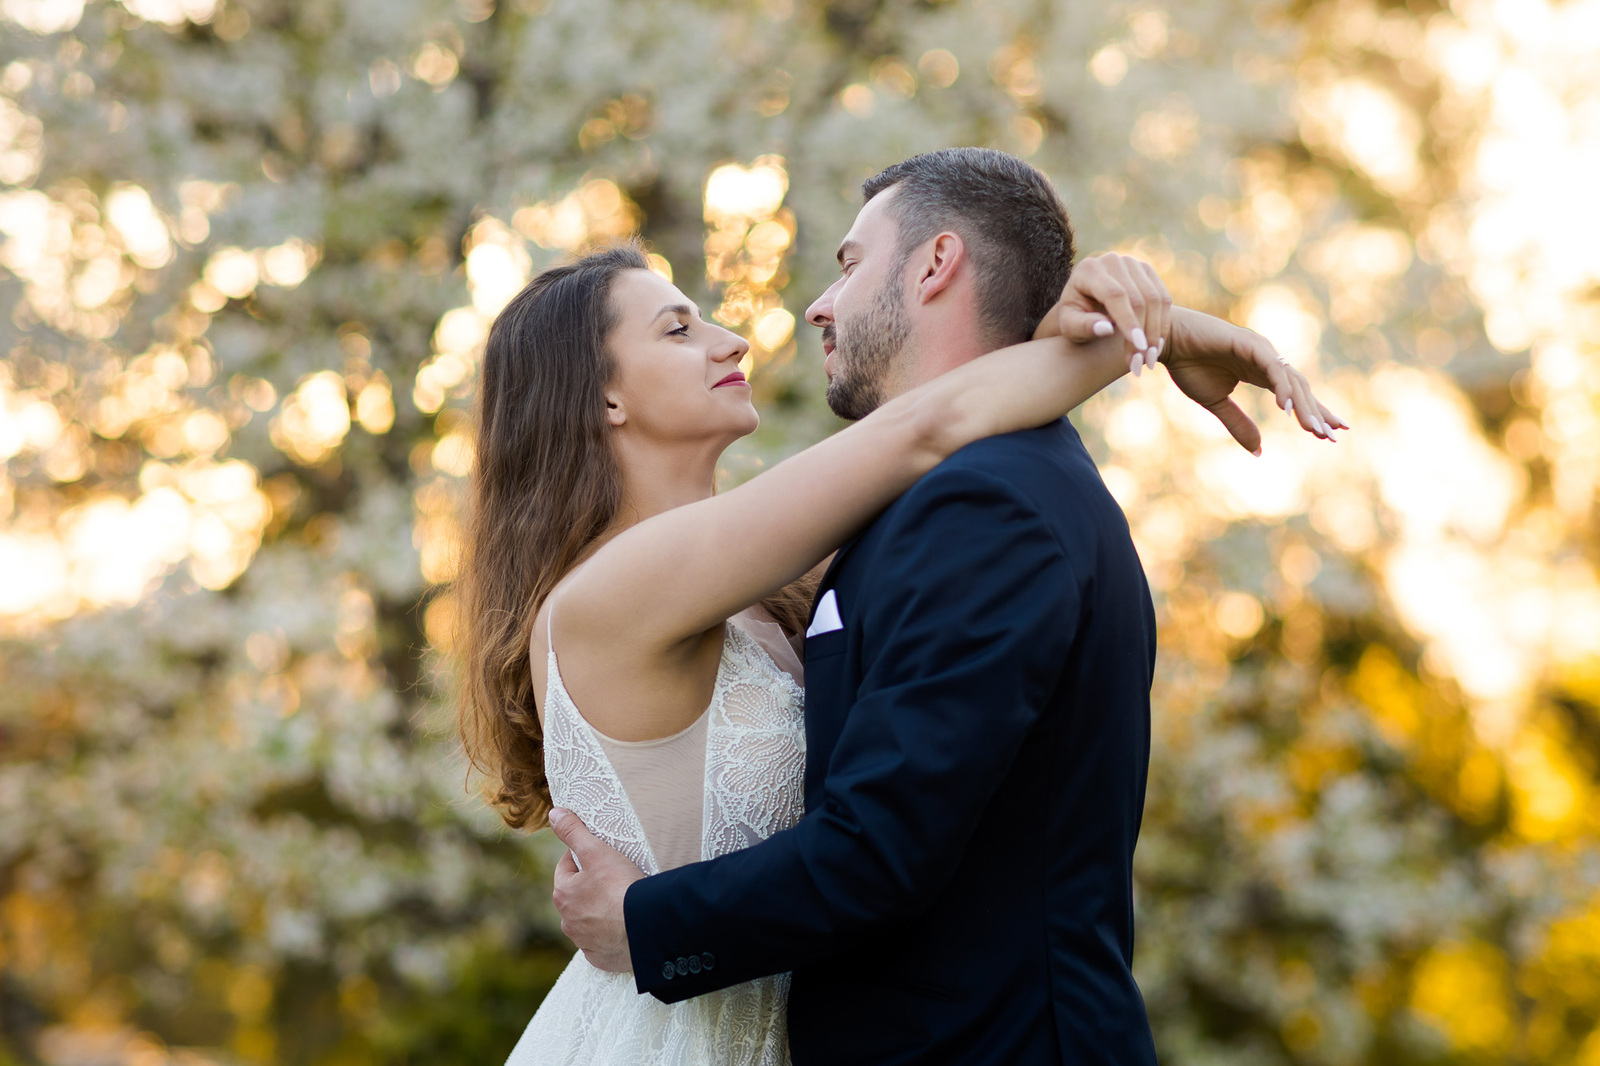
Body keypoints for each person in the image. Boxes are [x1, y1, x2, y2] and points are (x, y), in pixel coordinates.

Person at [465, 148, 1342, 1066]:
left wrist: (1133, 320)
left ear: (935, 265)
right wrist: (1148, 334)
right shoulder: (615, 591)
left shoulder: (784, 587)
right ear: (601, 393)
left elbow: (948, 424)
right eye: (679, 331)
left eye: (848, 263)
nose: (736, 338)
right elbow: (928, 427)